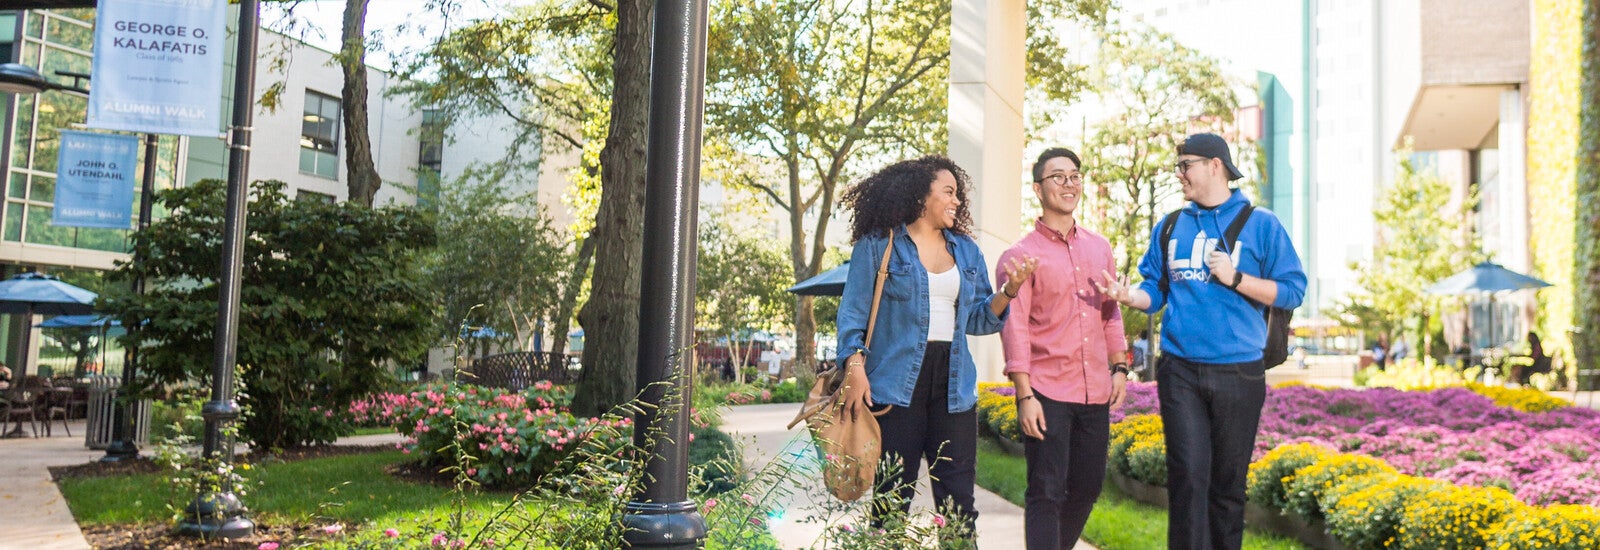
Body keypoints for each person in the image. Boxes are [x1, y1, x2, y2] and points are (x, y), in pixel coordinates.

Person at [1098, 133, 1306, 550]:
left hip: (1240, 372)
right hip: (1181, 371)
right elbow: (1154, 290)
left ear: (1216, 165)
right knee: (1188, 476)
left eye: (1185, 165)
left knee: (1228, 486)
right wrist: (1129, 297)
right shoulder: (1172, 225)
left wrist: (1237, 278)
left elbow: (1293, 290)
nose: (1179, 175)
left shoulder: (1262, 224)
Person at [835, 155, 1037, 543]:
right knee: (892, 499)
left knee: (959, 504)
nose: (957, 201)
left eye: (958, 194)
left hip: (954, 388)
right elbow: (852, 316)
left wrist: (1008, 292)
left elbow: (978, 320)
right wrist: (855, 367)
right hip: (895, 389)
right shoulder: (880, 245)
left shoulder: (966, 251)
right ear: (921, 196)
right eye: (948, 192)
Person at [997, 147, 1127, 549]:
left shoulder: (1099, 248)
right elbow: (1013, 328)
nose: (1069, 183)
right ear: (1038, 188)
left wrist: (1119, 366)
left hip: (1094, 392)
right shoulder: (1019, 257)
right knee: (1046, 490)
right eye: (1058, 176)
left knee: (1087, 488)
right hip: (1048, 390)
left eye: (1074, 175)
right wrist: (1024, 396)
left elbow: (1111, 312)